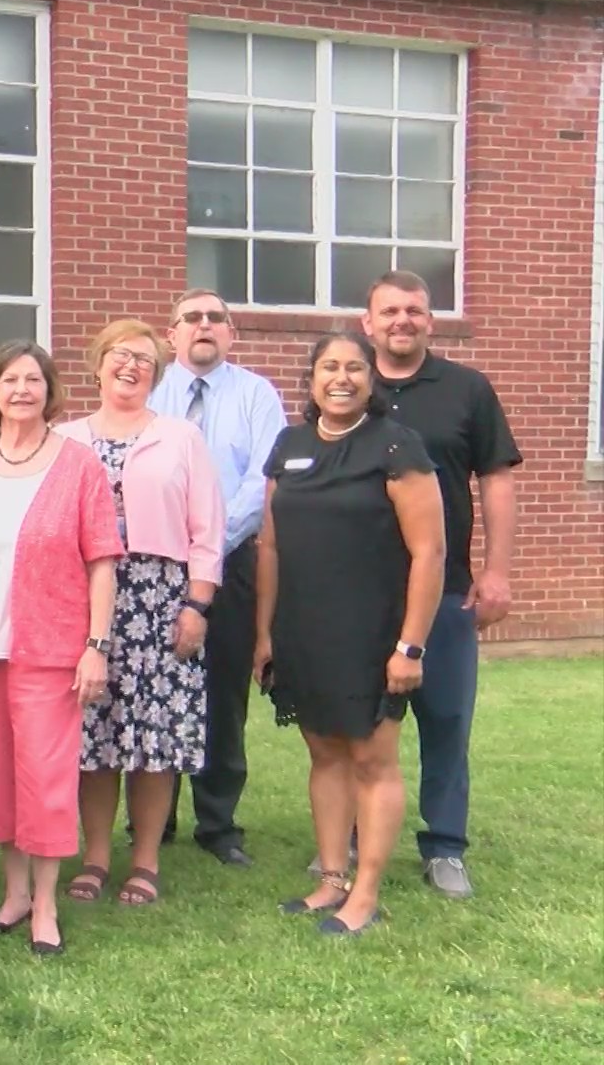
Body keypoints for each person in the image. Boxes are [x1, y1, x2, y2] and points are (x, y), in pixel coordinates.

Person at [0, 339, 122, 957]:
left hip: (52, 650)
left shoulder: (79, 466)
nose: (21, 390)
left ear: (49, 390)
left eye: (33, 380)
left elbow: (103, 563)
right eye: (10, 379)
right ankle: (12, 895)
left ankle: (45, 904)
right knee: (0, 777)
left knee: (47, 778)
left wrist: (96, 645)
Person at [256, 331, 446, 935]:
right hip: (304, 629)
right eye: (329, 366)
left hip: (373, 632)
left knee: (371, 757)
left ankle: (364, 895)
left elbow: (430, 552)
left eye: (355, 368)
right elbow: (269, 544)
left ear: (372, 379)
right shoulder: (289, 445)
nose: (342, 377)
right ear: (311, 378)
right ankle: (330, 882)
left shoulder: (396, 445)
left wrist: (410, 645)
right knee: (325, 753)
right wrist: (265, 634)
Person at [359, 269, 521, 900]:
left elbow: (497, 481)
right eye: (390, 311)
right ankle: (351, 834)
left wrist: (498, 569)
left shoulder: (466, 390)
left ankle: (445, 846)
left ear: (431, 320)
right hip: (362, 594)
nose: (403, 320)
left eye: (415, 310)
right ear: (367, 322)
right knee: (358, 719)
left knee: (447, 719)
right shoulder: (347, 386)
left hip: (447, 589)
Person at [58, 319, 224, 906]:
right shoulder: (65, 437)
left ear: (157, 375)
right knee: (94, 733)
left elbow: (207, 529)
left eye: (145, 361)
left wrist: (197, 605)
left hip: (160, 599)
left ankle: (146, 859)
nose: (130, 367)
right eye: (120, 355)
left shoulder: (181, 438)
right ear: (98, 363)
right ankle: (96, 856)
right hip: (84, 601)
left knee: (153, 738)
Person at [147, 289, 286, 867]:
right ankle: (154, 819)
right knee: (153, 687)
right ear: (171, 332)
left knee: (223, 694)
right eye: (192, 318)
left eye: (216, 318)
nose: (204, 326)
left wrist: (209, 544)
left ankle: (218, 822)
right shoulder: (150, 390)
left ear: (231, 333)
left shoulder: (256, 394)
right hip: (153, 564)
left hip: (231, 562)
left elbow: (264, 477)